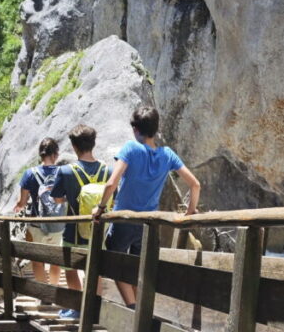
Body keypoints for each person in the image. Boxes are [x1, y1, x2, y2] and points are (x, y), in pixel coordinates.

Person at [91, 107, 201, 305]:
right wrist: (191, 211)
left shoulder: (131, 149)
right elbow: (195, 184)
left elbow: (111, 183)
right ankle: (140, 311)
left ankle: (133, 308)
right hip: (148, 224)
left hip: (123, 220)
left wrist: (99, 208)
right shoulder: (167, 154)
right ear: (156, 128)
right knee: (138, 267)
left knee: (114, 261)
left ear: (135, 129)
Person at [51, 124, 110, 319]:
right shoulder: (107, 171)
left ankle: (77, 309)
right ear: (93, 143)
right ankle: (94, 309)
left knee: (70, 268)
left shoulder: (66, 172)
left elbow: (57, 199)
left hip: (73, 231)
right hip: (98, 231)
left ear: (74, 147)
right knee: (96, 271)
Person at [14, 137, 63, 286]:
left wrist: (18, 206)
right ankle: (54, 290)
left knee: (37, 260)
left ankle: (43, 293)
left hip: (36, 224)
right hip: (58, 225)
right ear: (55, 154)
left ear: (40, 154)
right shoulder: (63, 172)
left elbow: (21, 203)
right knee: (55, 261)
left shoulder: (29, 174)